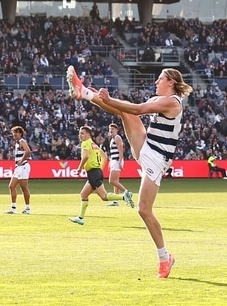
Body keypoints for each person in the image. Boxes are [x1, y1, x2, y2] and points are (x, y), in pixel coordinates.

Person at [67, 66, 191, 279]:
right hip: (148, 145)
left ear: (170, 82)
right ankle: (83, 92)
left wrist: (108, 99)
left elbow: (137, 110)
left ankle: (165, 258)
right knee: (122, 109)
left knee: (144, 210)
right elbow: (128, 108)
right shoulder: (159, 98)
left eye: (160, 79)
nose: (156, 82)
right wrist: (102, 98)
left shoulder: (172, 102)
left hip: (157, 157)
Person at [68, 125, 134, 226]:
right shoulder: (93, 144)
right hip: (95, 172)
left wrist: (80, 167)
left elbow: (85, 156)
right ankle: (80, 218)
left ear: (88, 134)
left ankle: (124, 197)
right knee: (83, 194)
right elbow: (104, 156)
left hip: (93, 173)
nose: (80, 135)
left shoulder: (85, 143)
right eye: (79, 133)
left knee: (104, 196)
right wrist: (99, 168)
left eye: (82, 133)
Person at [4, 126, 31, 214]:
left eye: (16, 132)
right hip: (19, 167)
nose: (14, 134)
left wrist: (21, 160)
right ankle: (13, 208)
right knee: (11, 186)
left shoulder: (22, 141)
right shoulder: (17, 143)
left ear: (20, 133)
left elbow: (28, 151)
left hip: (23, 166)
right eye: (13, 132)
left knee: (24, 188)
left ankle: (27, 208)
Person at [106, 123, 128, 205]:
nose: (110, 130)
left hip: (117, 160)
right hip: (114, 160)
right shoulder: (112, 139)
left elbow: (121, 150)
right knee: (116, 181)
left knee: (112, 181)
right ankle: (116, 200)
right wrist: (110, 162)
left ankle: (127, 193)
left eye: (112, 129)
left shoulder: (117, 137)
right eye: (109, 129)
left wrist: (120, 161)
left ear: (116, 130)